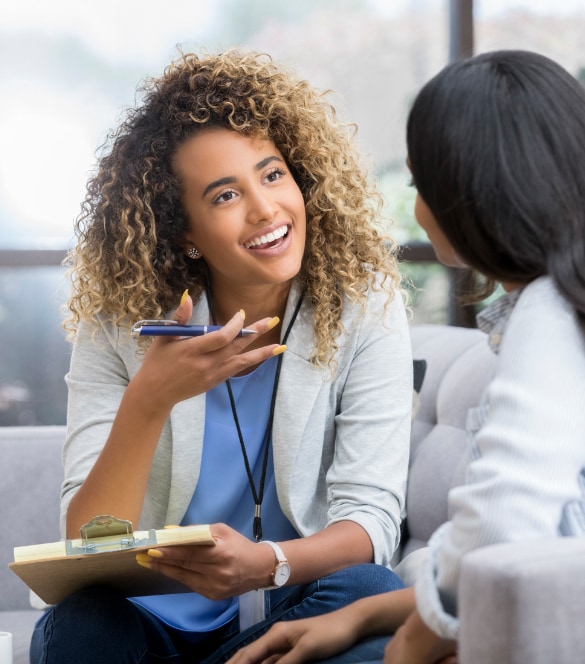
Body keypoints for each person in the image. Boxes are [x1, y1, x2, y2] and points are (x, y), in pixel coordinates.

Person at [29, 49, 413, 664]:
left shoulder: (363, 305)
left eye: (272, 175)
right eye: (226, 194)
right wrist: (149, 399)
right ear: (183, 232)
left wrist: (267, 564)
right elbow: (86, 545)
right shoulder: (121, 324)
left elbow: (371, 523)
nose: (265, 209)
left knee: (370, 590)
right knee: (83, 625)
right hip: (148, 624)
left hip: (288, 612)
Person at [225, 49, 585, 664]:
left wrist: (410, 646)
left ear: (468, 196)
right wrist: (364, 615)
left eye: (420, 185)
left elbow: (501, 528)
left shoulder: (548, 319)